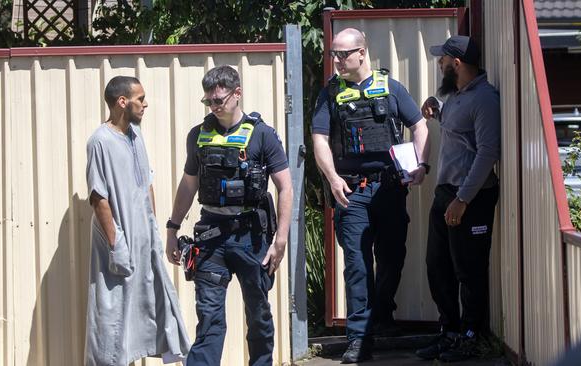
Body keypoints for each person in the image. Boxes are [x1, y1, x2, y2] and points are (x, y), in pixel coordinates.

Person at [312, 28, 430, 363]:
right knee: (358, 266)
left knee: (392, 257)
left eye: (343, 54)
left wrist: (421, 164)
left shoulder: (391, 88)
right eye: (333, 54)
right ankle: (359, 339)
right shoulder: (330, 94)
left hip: (391, 188)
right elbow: (319, 139)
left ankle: (382, 318)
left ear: (362, 53)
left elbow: (419, 125)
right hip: (352, 191)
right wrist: (333, 178)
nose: (337, 61)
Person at [165, 65, 293, 366]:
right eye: (208, 101)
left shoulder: (262, 135)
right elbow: (189, 184)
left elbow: (285, 187)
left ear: (237, 94)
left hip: (252, 237)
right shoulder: (198, 135)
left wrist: (281, 239)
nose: (213, 106)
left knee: (258, 313)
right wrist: (172, 227)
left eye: (219, 100)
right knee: (209, 317)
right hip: (211, 237)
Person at [84, 76, 191, 366]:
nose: (145, 104)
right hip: (118, 241)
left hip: (145, 239)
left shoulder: (135, 135)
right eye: (140, 99)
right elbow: (98, 197)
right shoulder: (100, 142)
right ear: (122, 102)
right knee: (112, 315)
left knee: (149, 305)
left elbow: (147, 183)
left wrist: (153, 229)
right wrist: (115, 242)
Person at [415, 35, 501, 362]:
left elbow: (487, 153)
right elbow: (457, 130)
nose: (440, 64)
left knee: (469, 270)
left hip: (471, 198)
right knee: (437, 267)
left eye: (443, 60)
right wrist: (435, 110)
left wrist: (463, 199)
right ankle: (449, 332)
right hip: (446, 194)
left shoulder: (485, 100)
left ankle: (470, 338)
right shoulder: (458, 96)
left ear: (458, 63)